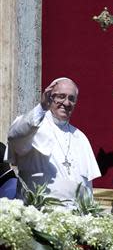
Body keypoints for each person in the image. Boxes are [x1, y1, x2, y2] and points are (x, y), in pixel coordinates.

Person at [4, 77, 101, 206]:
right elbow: (14, 136)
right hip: (38, 216)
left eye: (71, 99)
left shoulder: (80, 137)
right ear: (50, 97)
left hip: (75, 219)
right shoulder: (33, 126)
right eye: (61, 96)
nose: (66, 103)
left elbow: (87, 186)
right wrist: (42, 107)